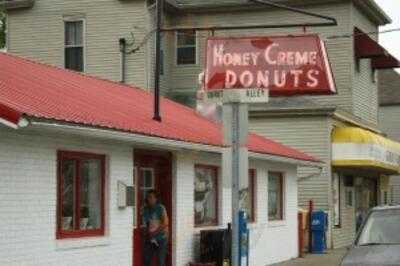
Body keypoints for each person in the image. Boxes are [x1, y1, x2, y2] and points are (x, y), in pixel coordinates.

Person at [142, 190, 169, 266]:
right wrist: (147, 233)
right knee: (146, 260)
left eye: (151, 197)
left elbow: (165, 223)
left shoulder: (160, 208)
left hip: (161, 238)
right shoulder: (145, 209)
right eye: (148, 197)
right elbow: (146, 223)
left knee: (160, 261)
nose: (149, 199)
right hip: (151, 238)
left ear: (156, 199)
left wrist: (155, 232)